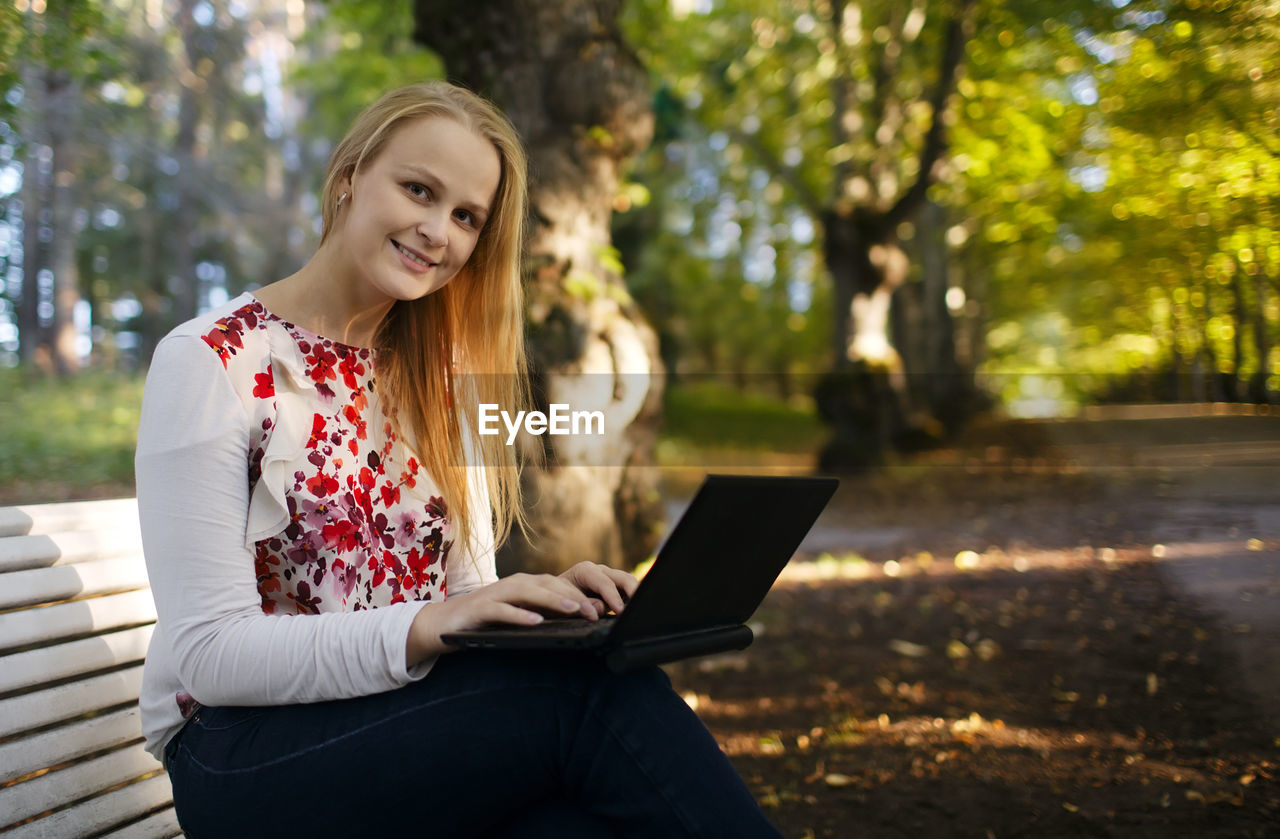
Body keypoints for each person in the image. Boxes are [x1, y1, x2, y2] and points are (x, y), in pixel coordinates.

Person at [134, 81, 783, 838]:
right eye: (419, 190)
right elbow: (212, 655)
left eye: (466, 216)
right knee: (588, 699)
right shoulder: (214, 360)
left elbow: (464, 596)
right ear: (350, 175)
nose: (438, 230)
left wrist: (539, 606)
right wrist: (433, 623)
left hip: (394, 728)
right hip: (244, 756)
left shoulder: (435, 380)